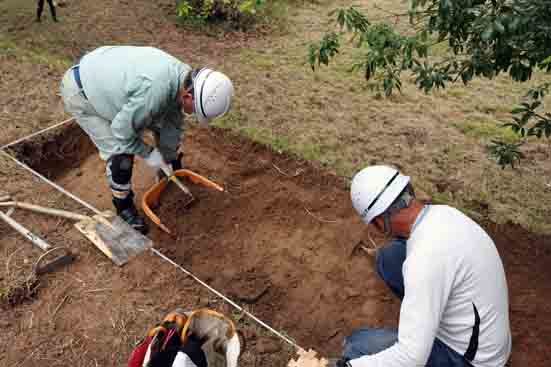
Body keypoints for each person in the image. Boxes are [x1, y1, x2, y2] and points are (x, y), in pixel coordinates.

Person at [332, 165, 511, 367]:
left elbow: (411, 357)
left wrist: (349, 366)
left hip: (472, 360)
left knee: (358, 345)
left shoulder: (423, 261)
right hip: (485, 336)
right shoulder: (445, 214)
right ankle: (426, 321)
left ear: (379, 223)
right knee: (390, 258)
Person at [60, 46, 234, 234]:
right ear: (188, 95)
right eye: (196, 110)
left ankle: (168, 173)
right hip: (83, 92)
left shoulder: (184, 78)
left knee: (158, 121)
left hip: (106, 77)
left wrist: (168, 156)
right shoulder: (153, 91)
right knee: (121, 154)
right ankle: (123, 206)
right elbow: (122, 131)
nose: (193, 114)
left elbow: (173, 120)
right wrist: (149, 153)